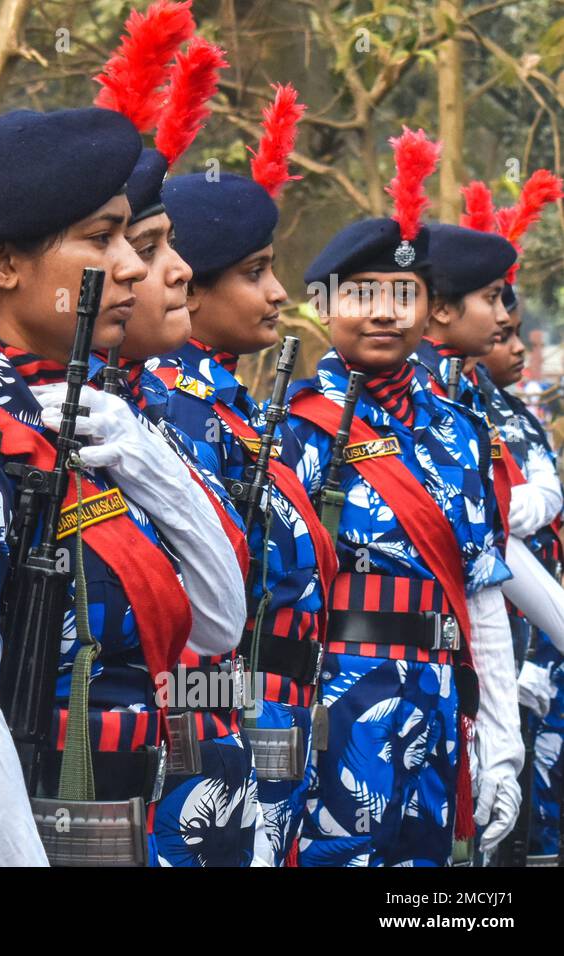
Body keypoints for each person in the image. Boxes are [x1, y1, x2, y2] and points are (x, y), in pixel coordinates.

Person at [0, 104, 247, 866]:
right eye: (102, 239)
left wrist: (146, 460)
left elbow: (216, 623)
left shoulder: (87, 422)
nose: (134, 265)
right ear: (4, 264)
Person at [283, 129, 522, 865]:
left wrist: (503, 742)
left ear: (429, 310)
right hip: (338, 707)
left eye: (402, 295)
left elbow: (482, 593)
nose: (383, 313)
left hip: (445, 700)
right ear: (323, 306)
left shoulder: (459, 431)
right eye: (361, 295)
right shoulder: (295, 431)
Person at [149, 83, 337, 866]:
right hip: (209, 733)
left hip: (268, 718)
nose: (280, 293)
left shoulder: (225, 403)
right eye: (256, 272)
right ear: (190, 288)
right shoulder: (168, 408)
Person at [480, 283, 564, 866]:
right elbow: (498, 524)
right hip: (498, 644)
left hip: (535, 644)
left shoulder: (512, 414)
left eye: (514, 333)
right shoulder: (471, 412)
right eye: (501, 332)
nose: (512, 349)